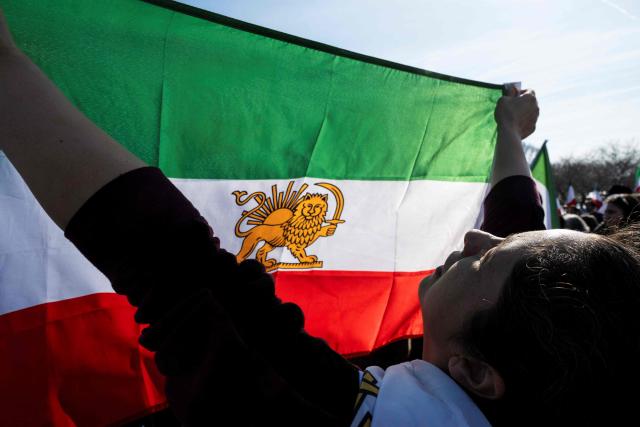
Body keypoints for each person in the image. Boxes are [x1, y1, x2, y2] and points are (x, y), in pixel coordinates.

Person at [3, 10, 640, 427]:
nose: (477, 234)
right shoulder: (518, 384)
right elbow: (514, 225)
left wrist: (8, 74)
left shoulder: (306, 410)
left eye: (490, 255)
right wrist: (509, 134)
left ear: (477, 373)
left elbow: (179, 270)